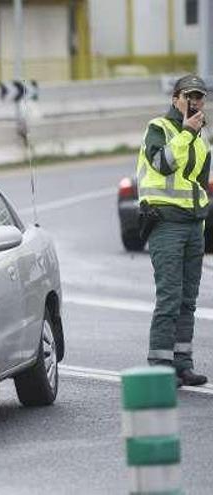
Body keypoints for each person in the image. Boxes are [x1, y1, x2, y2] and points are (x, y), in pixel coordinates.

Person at [137, 74, 211, 386]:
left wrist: (202, 220)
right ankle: (159, 364)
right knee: (169, 296)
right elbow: (163, 164)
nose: (194, 101)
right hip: (166, 223)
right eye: (188, 95)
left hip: (193, 225)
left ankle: (182, 363)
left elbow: (198, 184)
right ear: (175, 99)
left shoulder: (201, 137)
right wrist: (185, 132)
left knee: (188, 300)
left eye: (200, 96)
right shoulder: (160, 128)